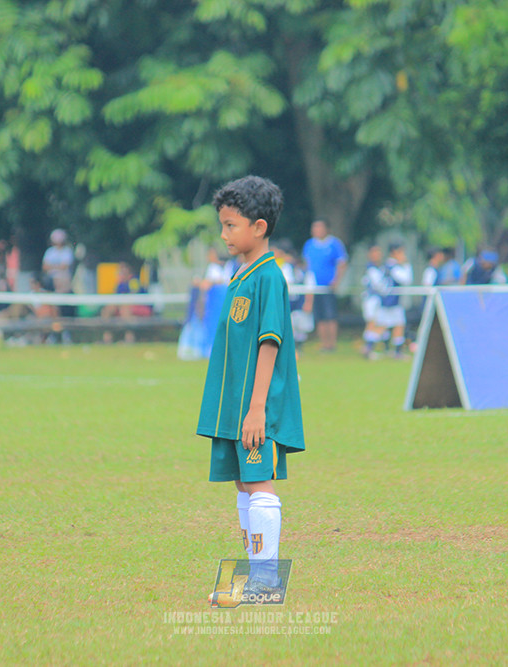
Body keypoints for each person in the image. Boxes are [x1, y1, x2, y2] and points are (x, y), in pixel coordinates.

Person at [197, 175, 304, 603]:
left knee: (259, 484)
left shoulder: (268, 277)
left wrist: (257, 408)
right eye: (221, 225)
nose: (224, 234)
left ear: (259, 227)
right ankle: (249, 579)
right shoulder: (241, 275)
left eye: (231, 225)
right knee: (243, 485)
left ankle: (266, 584)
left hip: (256, 408)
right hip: (235, 408)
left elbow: (269, 342)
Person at [302, 219, 348, 352]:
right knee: (319, 316)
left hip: (328, 287)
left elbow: (342, 263)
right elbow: (307, 264)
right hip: (314, 287)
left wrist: (336, 281)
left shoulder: (334, 244)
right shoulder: (309, 245)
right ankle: (323, 344)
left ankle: (331, 344)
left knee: (330, 315)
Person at [375, 242, 414, 359]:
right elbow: (407, 280)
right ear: (395, 252)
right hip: (392, 301)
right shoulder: (394, 267)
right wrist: (406, 264)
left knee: (386, 325)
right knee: (397, 325)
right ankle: (395, 351)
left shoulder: (385, 266)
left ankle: (386, 349)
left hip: (385, 300)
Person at [273, 239, 315, 345]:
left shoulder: (295, 267)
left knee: (299, 324)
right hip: (286, 299)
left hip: (296, 299)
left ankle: (297, 346)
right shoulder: (280, 265)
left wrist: (308, 302)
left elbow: (307, 285)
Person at [361, 244, 386, 359]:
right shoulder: (371, 268)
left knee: (377, 323)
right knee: (372, 323)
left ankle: (369, 348)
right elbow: (379, 285)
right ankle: (368, 349)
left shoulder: (379, 268)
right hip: (371, 300)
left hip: (376, 300)